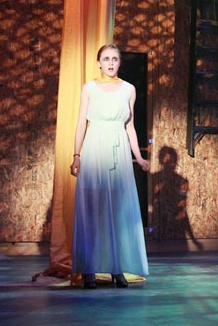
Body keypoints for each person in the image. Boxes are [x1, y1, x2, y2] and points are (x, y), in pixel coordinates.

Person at [69, 44, 150, 288]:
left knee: (118, 211)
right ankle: (89, 269)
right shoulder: (89, 88)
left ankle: (117, 268)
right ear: (99, 63)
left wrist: (139, 157)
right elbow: (81, 123)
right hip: (95, 148)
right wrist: (76, 155)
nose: (111, 63)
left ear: (119, 62)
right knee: (93, 210)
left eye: (115, 58)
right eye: (106, 59)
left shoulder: (129, 89)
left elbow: (130, 126)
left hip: (119, 151)